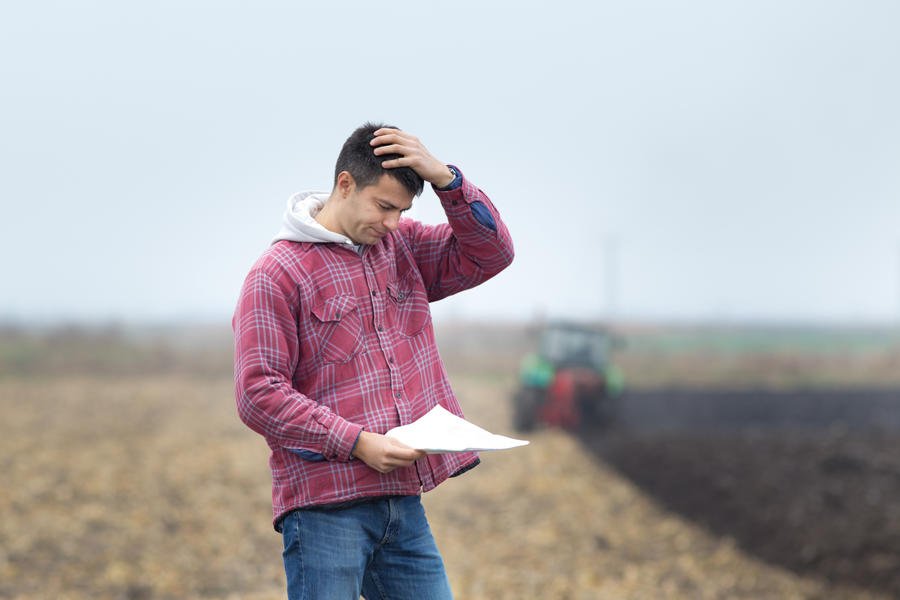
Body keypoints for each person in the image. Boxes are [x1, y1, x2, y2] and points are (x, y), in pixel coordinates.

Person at [232, 122, 514, 599]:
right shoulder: (276, 275)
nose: (391, 223)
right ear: (345, 184)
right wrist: (357, 442)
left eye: (401, 211)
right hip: (325, 509)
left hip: (403, 504)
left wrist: (447, 180)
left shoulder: (401, 247)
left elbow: (491, 254)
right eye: (383, 207)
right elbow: (258, 393)